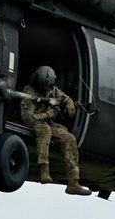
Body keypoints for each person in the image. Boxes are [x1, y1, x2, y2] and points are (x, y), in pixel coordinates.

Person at [19, 66, 91, 196]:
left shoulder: (52, 90)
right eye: (42, 86)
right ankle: (44, 170)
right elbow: (28, 117)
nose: (45, 89)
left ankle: (73, 182)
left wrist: (69, 103)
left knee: (69, 138)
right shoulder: (28, 93)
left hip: (48, 122)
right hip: (34, 122)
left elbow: (63, 97)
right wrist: (49, 113)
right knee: (45, 130)